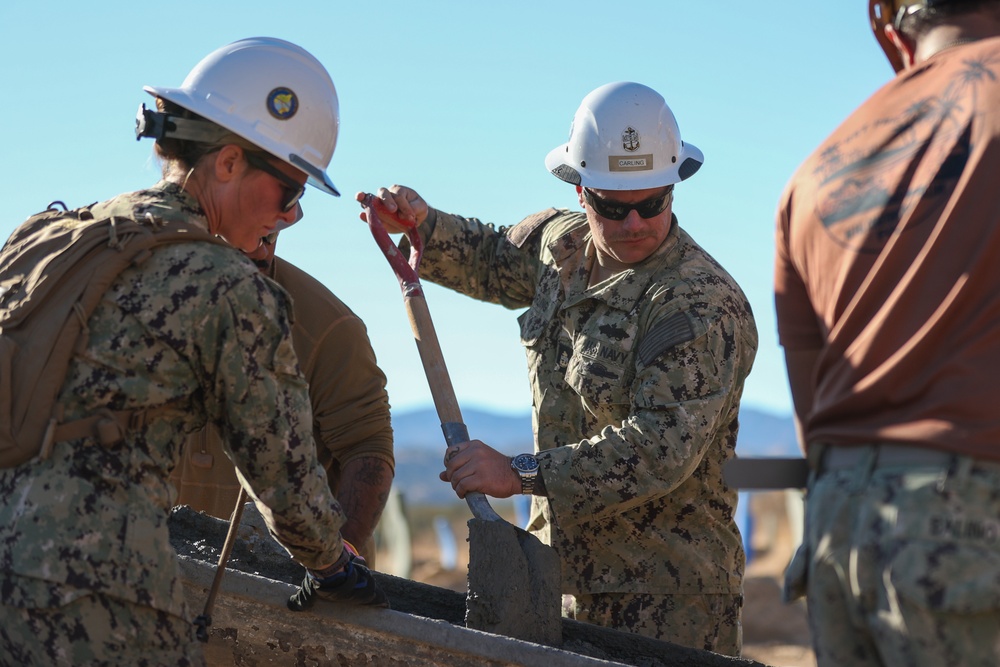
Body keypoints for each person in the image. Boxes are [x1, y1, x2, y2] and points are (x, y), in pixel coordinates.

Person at [0, 37, 386, 667]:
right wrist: (333, 561)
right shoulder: (228, 286)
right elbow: (282, 477)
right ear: (228, 163)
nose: (290, 218)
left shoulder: (47, 238)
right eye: (289, 192)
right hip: (95, 602)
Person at [365, 81, 758, 654]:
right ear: (581, 191)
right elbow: (495, 254)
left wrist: (521, 474)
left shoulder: (698, 303)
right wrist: (424, 225)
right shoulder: (561, 246)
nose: (634, 224)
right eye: (612, 207)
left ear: (674, 188)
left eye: (653, 203)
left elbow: (658, 449)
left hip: (667, 602)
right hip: (557, 580)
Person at [774, 2, 1000, 665]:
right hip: (967, 522)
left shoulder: (813, 172)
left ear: (889, 18)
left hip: (837, 525)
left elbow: (810, 406)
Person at [171, 230, 395, 566]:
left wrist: (337, 560)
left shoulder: (327, 326)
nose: (288, 217)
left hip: (291, 587)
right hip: (156, 575)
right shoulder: (139, 299)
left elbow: (367, 448)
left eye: (269, 237)